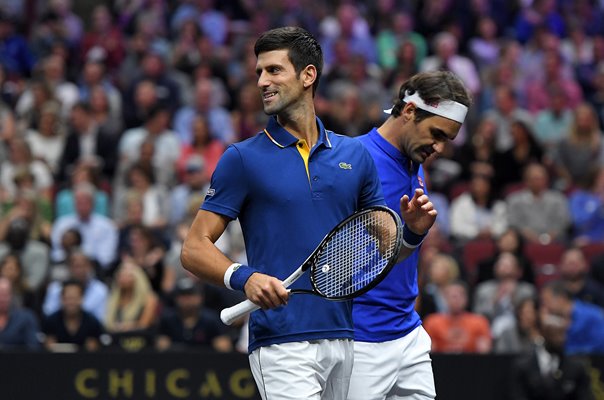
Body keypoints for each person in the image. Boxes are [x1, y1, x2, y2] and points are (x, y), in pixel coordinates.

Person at [180, 27, 436, 400]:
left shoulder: (355, 156)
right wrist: (245, 277)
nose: (263, 82)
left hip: (345, 340)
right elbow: (193, 248)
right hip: (282, 343)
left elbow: (383, 255)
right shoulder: (242, 158)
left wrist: (410, 233)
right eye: (259, 73)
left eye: (273, 70)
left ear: (308, 75)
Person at [349, 70, 472, 400]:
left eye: (447, 139)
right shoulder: (352, 160)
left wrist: (412, 234)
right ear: (409, 111)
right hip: (360, 340)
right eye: (436, 134)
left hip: (407, 332)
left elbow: (400, 248)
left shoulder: (415, 161)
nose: (440, 148)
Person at [42, 279, 104, 352]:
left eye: (74, 298)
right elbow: (47, 347)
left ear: (82, 299)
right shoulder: (51, 321)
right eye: (67, 298)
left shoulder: (92, 322)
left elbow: (95, 348)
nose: (71, 302)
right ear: (61, 299)